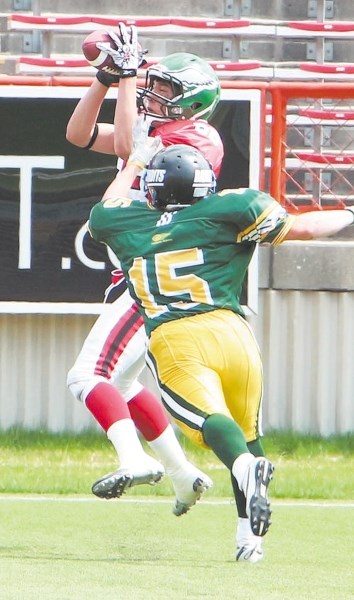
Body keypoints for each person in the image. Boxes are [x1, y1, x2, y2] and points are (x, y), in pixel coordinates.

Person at [88, 122, 354, 562]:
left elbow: (107, 205)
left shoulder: (127, 223)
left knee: (214, 426)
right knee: (246, 435)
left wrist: (135, 158)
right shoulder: (231, 207)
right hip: (234, 333)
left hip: (177, 336)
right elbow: (304, 228)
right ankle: (249, 541)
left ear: (152, 191)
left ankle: (247, 472)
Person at [66, 23, 223, 515]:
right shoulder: (158, 130)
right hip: (137, 270)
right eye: (153, 84)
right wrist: (105, 79)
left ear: (195, 104)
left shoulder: (195, 137)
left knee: (87, 377)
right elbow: (80, 134)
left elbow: (124, 145)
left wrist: (128, 78)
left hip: (150, 273)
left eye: (167, 90)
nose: (155, 94)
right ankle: (182, 475)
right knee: (127, 385)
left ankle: (133, 459)